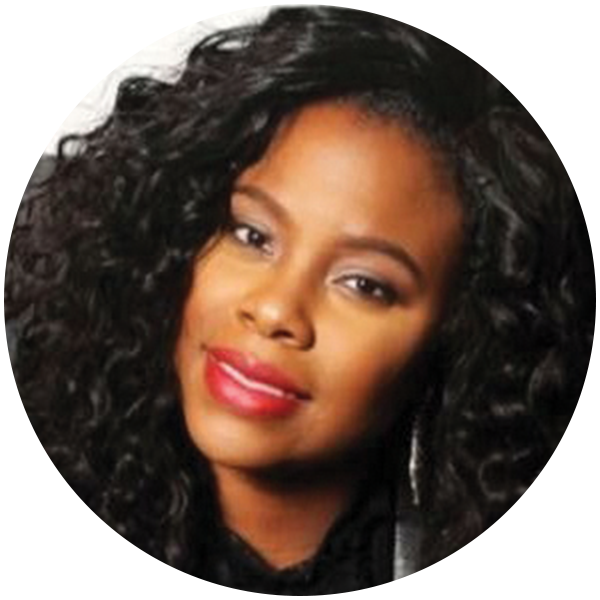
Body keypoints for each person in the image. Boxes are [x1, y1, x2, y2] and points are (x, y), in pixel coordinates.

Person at [4, 5, 595, 596]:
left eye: (365, 284)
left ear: (460, 335)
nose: (274, 309)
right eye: (251, 235)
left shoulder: (525, 565)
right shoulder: (34, 509)